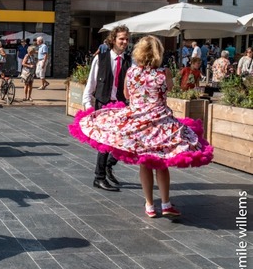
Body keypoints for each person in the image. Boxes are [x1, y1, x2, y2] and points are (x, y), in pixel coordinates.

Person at [70, 35, 213, 218]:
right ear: (157, 53)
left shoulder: (131, 72)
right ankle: (166, 203)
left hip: (138, 122)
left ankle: (150, 205)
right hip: (161, 123)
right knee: (162, 162)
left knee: (145, 163)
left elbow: (126, 94)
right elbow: (169, 88)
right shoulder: (164, 73)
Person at [80, 25, 132, 192]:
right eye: (121, 39)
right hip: (104, 105)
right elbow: (91, 84)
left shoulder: (130, 61)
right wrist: (88, 106)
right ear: (113, 40)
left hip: (122, 106)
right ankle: (99, 177)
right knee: (105, 143)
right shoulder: (101, 58)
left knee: (124, 142)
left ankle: (109, 166)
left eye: (126, 39)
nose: (124, 42)